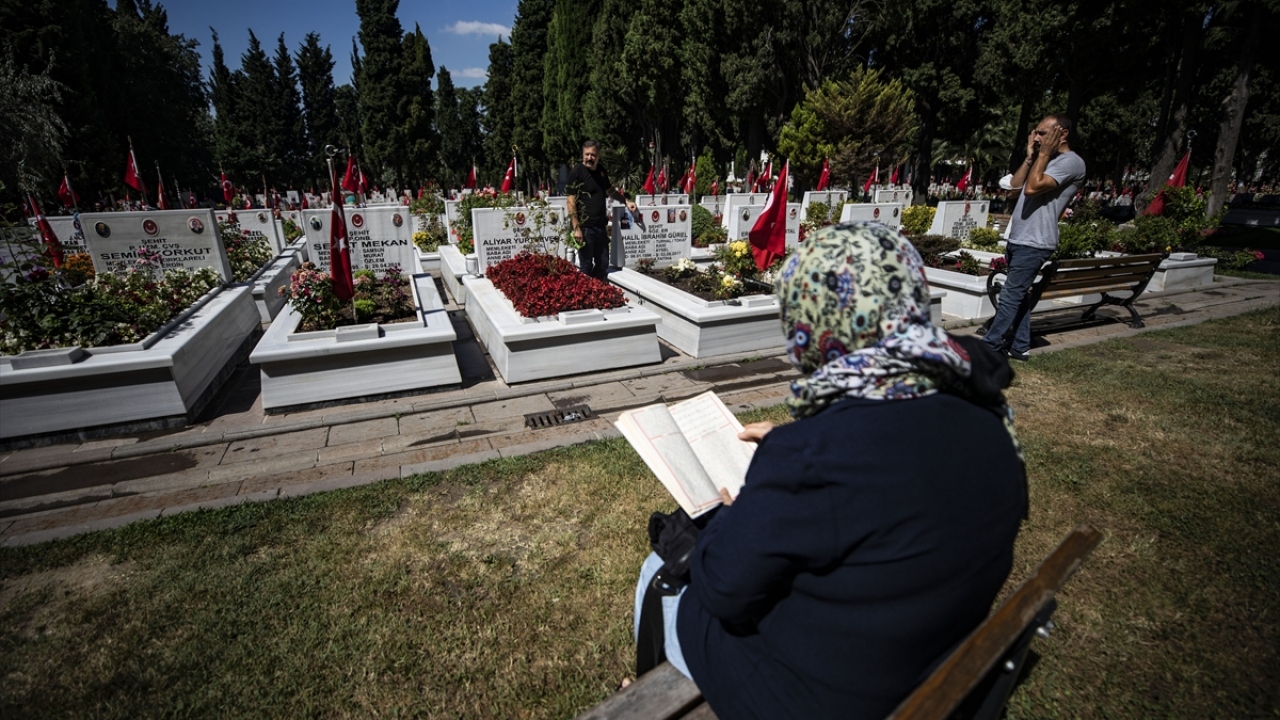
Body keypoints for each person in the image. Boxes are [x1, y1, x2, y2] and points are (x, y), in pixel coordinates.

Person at [633, 223, 1027, 720]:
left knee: (661, 569)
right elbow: (894, 474)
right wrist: (789, 449)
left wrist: (737, 513)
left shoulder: (817, 452)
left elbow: (724, 590)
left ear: (811, 317)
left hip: (824, 697)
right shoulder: (984, 409)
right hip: (926, 654)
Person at [983, 114, 1087, 361]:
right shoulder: (1043, 159)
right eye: (1037, 132)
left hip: (1035, 241)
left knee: (1009, 295)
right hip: (1020, 237)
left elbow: (1032, 189)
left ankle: (988, 346)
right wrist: (1031, 156)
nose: (1037, 137)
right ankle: (1020, 347)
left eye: (1043, 133)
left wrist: (1042, 156)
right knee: (1017, 297)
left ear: (1062, 133)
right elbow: (1015, 189)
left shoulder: (1072, 163)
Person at [566, 139, 637, 280]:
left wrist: (626, 201)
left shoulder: (601, 171)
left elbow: (610, 191)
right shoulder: (576, 173)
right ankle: (586, 296)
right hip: (585, 227)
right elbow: (570, 202)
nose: (589, 158)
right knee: (585, 266)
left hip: (600, 226)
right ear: (582, 155)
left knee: (603, 262)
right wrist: (576, 228)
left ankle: (598, 293)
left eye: (593, 155)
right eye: (586, 154)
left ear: (598, 156)